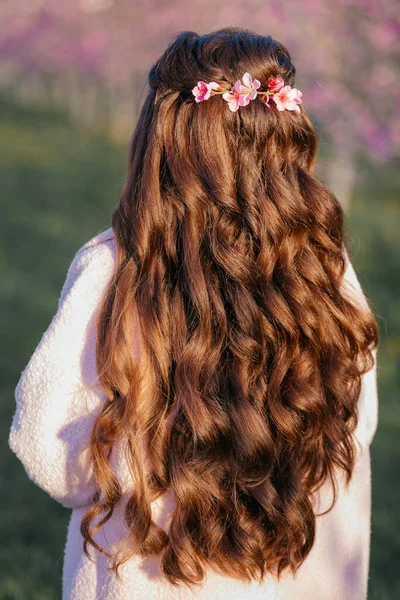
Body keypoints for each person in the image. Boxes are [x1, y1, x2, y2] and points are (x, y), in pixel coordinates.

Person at [8, 27, 379, 600]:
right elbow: (358, 421)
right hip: (296, 572)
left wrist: (130, 472)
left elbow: (46, 443)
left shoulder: (117, 267)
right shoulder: (324, 266)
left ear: (162, 140)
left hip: (154, 576)